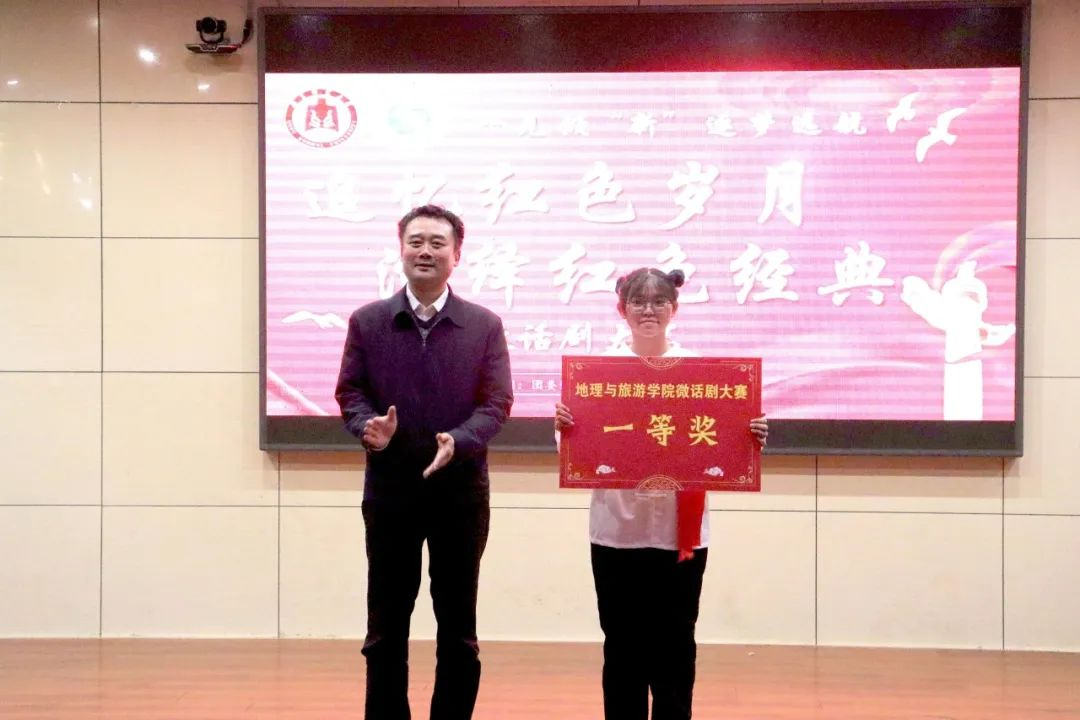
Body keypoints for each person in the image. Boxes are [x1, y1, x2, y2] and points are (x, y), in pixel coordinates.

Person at [554, 267, 768, 720]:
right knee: (622, 644)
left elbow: (725, 442)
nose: (647, 310)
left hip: (681, 536)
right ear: (622, 309)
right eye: (638, 301)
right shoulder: (598, 373)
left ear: (674, 309)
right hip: (618, 532)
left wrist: (750, 432)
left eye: (658, 302)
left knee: (676, 643)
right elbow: (578, 453)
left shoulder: (702, 372)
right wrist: (566, 428)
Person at [335, 205, 514, 720]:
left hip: (460, 496)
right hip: (391, 493)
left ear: (457, 255)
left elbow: (497, 402)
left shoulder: (483, 325)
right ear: (401, 250)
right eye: (416, 241)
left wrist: (458, 440)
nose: (425, 251)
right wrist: (368, 427)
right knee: (385, 627)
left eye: (438, 243)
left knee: (458, 628)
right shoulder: (369, 321)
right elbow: (350, 392)